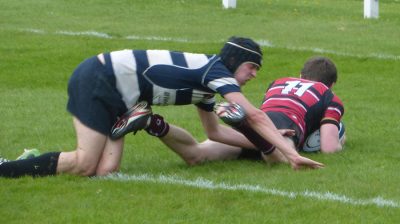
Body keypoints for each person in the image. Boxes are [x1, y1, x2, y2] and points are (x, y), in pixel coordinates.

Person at [0, 36, 323, 178]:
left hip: (125, 96)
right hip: (100, 79)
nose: (253, 75)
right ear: (236, 61)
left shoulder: (208, 86)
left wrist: (264, 143)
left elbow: (214, 132)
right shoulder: (216, 71)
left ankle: (141, 118)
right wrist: (290, 153)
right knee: (85, 164)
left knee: (104, 172)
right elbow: (254, 114)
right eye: (252, 67)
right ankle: (9, 167)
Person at [125, 56, 344, 165]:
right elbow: (328, 147)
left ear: (300, 75)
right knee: (278, 158)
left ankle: (153, 123)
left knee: (196, 154)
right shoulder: (330, 96)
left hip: (261, 121)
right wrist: (341, 138)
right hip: (280, 129)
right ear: (331, 84)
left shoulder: (279, 82)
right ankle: (242, 124)